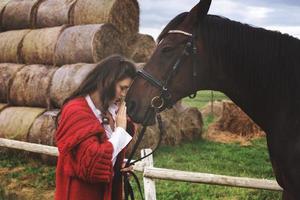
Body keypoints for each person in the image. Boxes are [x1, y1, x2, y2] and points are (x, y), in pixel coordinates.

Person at [54, 55, 137, 200]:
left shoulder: (109, 112)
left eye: (126, 90)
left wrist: (117, 165)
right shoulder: (76, 111)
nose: (123, 95)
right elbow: (93, 163)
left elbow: (105, 153)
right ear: (106, 82)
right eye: (122, 88)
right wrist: (120, 131)